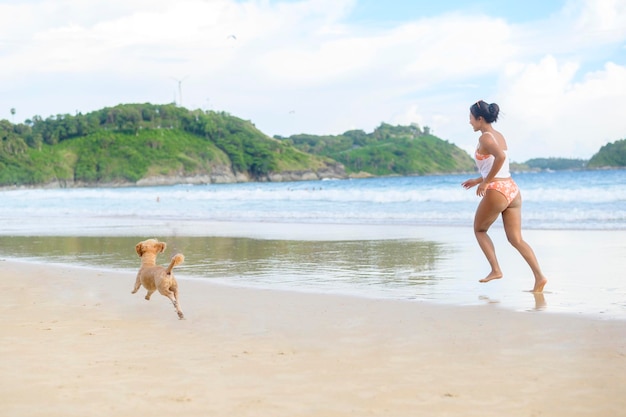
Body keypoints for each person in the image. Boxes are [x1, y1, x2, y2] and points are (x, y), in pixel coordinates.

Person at [462, 100, 547, 293]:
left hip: (497, 190)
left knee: (479, 230)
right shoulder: (498, 135)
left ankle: (495, 269)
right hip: (512, 190)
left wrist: (485, 183)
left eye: (471, 118)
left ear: (480, 118)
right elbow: (497, 164)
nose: (469, 122)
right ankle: (539, 276)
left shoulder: (485, 138)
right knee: (516, 239)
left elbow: (499, 158)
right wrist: (478, 180)